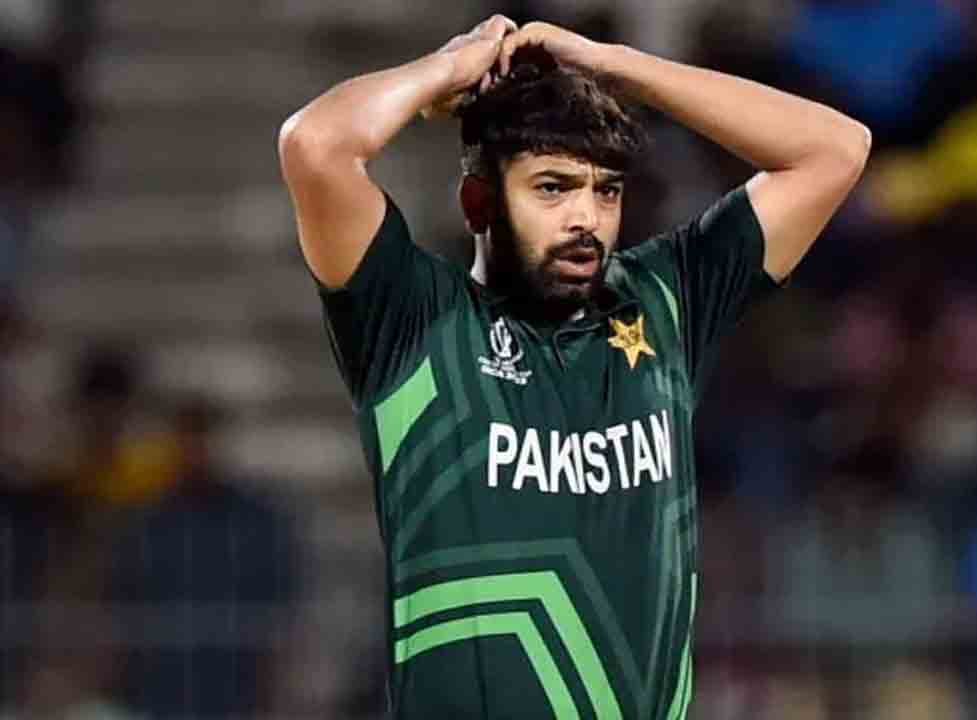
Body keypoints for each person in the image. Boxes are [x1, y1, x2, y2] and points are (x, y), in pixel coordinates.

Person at [278, 15, 870, 719]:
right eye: (553, 188)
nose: (586, 218)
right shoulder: (414, 319)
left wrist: (615, 66)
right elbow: (315, 146)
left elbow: (836, 148)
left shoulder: (665, 302)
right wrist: (450, 70)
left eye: (606, 190)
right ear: (478, 203)